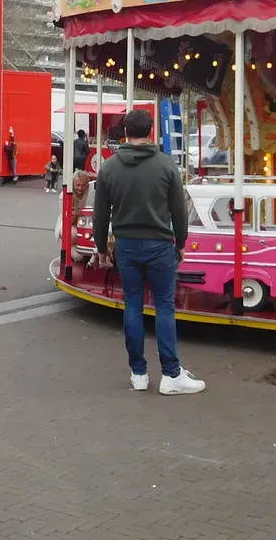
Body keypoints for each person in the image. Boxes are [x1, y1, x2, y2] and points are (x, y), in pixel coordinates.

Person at [92, 108, 204, 396]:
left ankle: (138, 373)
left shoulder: (109, 168)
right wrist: (180, 243)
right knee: (164, 305)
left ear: (125, 132)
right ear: (151, 131)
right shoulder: (166, 166)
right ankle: (171, 374)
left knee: (132, 305)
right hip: (159, 244)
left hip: (127, 245)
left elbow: (101, 214)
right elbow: (179, 212)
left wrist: (102, 248)